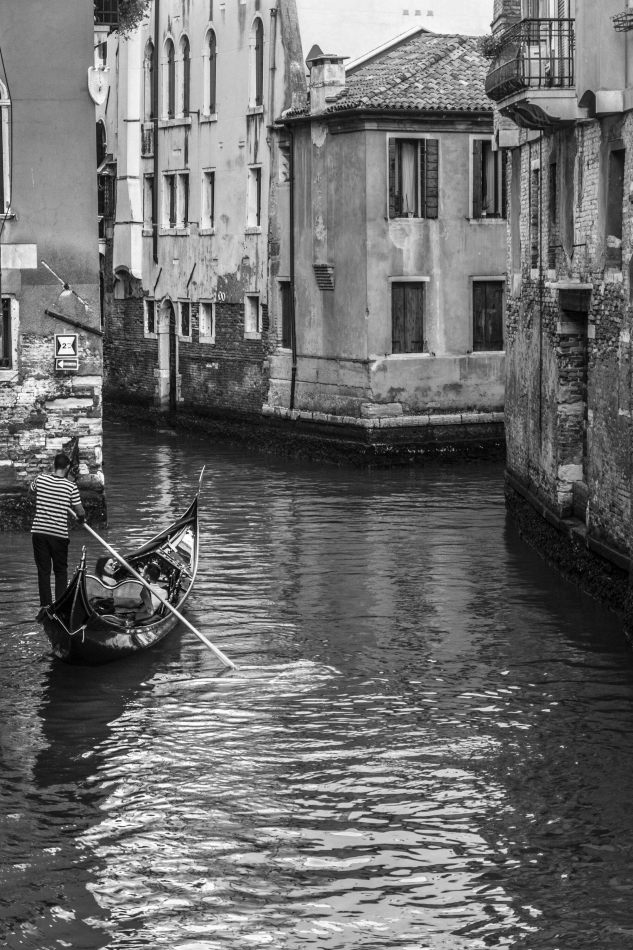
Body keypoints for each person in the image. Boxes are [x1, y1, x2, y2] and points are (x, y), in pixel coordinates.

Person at [31, 452, 86, 608]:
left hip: (39, 532)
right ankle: (61, 606)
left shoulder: (40, 479)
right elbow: (80, 511)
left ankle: (46, 606)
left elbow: (31, 491)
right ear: (67, 467)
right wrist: (81, 519)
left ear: (53, 465)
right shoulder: (71, 487)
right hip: (59, 535)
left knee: (43, 571)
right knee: (60, 571)